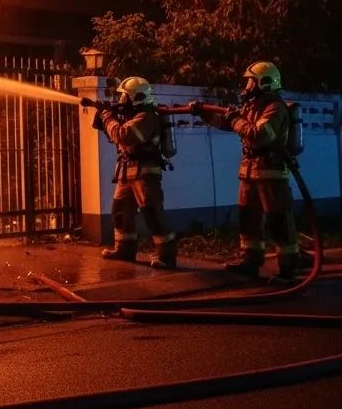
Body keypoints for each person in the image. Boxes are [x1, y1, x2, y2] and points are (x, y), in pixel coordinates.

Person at [191, 61, 306, 281]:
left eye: (251, 80)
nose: (247, 84)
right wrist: (203, 113)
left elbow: (259, 134)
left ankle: (288, 268)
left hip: (271, 173)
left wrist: (236, 119)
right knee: (248, 218)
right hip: (249, 172)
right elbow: (227, 123)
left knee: (278, 221)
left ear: (264, 82)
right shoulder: (252, 106)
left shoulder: (275, 108)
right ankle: (250, 262)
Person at [98, 76, 177, 269]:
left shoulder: (147, 117)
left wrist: (107, 117)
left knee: (152, 213)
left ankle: (167, 256)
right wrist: (110, 116)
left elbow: (124, 135)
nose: (121, 101)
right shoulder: (133, 116)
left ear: (137, 97)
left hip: (145, 173)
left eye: (125, 97)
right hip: (127, 172)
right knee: (120, 211)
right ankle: (125, 249)